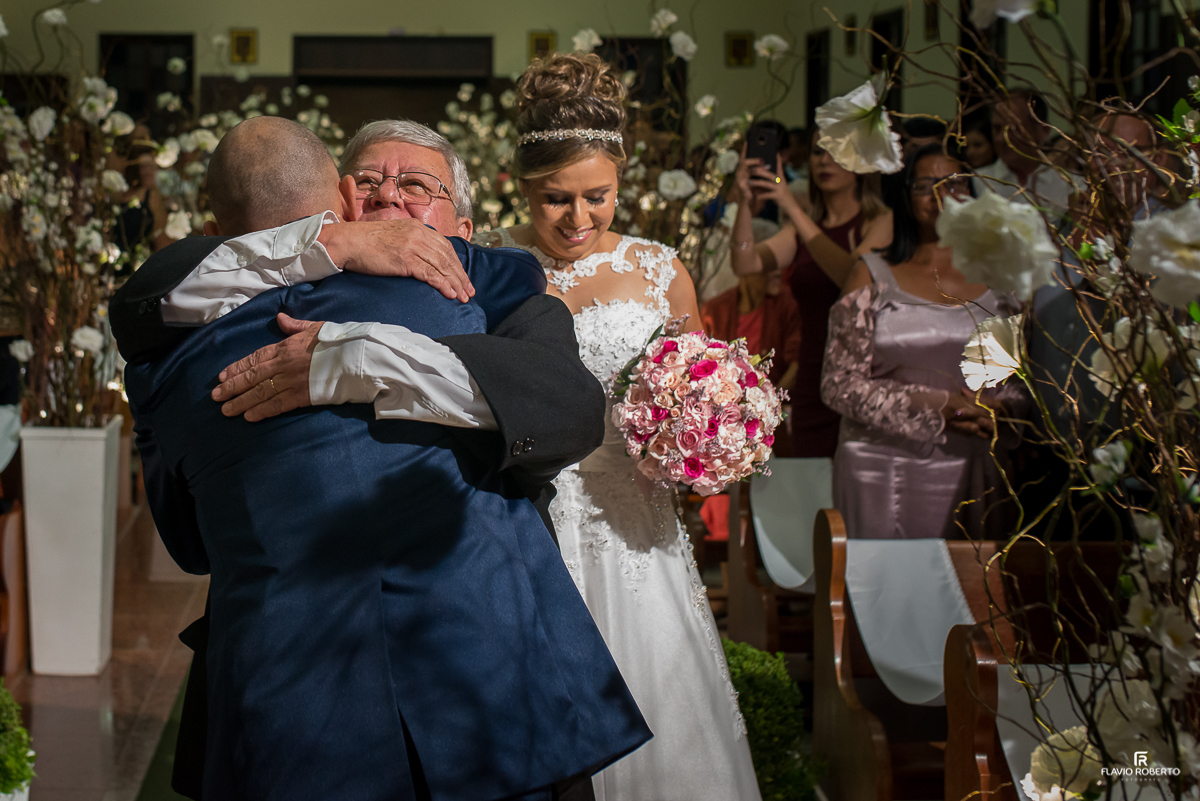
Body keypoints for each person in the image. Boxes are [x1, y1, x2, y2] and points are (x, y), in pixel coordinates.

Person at [115, 117, 650, 800]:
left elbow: (568, 410)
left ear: (461, 218)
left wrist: (359, 357)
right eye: (368, 182)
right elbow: (140, 300)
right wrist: (329, 244)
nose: (390, 200)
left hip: (484, 667)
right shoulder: (200, 301)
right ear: (337, 200)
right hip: (301, 689)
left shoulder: (491, 281)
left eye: (419, 185)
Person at [821, 143, 1023, 540]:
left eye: (953, 183)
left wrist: (998, 408)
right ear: (904, 194)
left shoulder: (1000, 282)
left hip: (974, 459)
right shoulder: (871, 274)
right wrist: (940, 406)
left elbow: (1015, 382)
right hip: (881, 466)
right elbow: (838, 384)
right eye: (924, 185)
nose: (940, 195)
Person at [731, 130, 893, 457]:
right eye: (818, 151)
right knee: (811, 490)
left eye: (837, 151)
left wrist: (791, 204)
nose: (824, 160)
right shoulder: (802, 228)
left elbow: (852, 277)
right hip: (812, 376)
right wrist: (746, 205)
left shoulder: (880, 221)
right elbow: (745, 262)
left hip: (862, 376)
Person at [973, 89, 1075, 223]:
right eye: (997, 129)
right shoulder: (976, 182)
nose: (1003, 139)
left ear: (1043, 131)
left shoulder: (1070, 186)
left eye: (1014, 129)